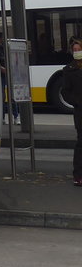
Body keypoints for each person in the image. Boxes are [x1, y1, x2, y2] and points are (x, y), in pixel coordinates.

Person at [58, 37, 82, 187]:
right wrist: (78, 102)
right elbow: (66, 92)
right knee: (81, 143)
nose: (77, 52)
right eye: (75, 50)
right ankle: (78, 175)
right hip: (81, 112)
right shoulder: (68, 69)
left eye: (79, 49)